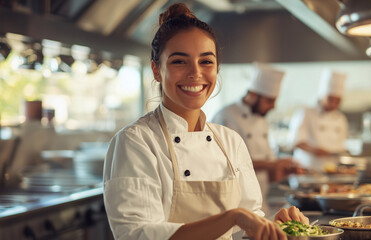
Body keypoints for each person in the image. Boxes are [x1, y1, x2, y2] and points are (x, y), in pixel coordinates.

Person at [103, 3, 308, 240]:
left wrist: (273, 226)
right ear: (156, 70)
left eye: (206, 61)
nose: (195, 73)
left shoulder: (231, 142)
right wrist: (233, 217)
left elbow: (247, 225)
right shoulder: (136, 142)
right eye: (180, 61)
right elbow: (138, 234)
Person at [211, 63, 301, 214]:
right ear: (253, 95)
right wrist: (272, 164)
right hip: (233, 206)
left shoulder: (262, 120)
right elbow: (228, 163)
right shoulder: (226, 117)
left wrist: (283, 169)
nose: (273, 106)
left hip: (260, 203)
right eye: (269, 100)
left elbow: (268, 170)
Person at [287, 69, 348, 172]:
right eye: (330, 99)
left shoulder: (341, 118)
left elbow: (342, 145)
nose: (333, 104)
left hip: (332, 171)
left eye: (337, 101)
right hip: (307, 169)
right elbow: (296, 141)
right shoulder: (306, 112)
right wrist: (314, 150)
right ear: (322, 95)